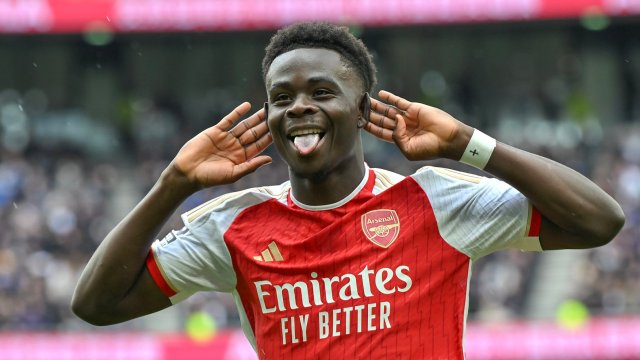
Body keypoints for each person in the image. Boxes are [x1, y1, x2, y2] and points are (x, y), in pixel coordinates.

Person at [72, 22, 625, 359]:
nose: (299, 108)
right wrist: (174, 184)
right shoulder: (233, 227)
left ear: (361, 111)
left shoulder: (433, 201)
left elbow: (598, 221)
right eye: (281, 98)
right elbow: (95, 304)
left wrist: (466, 144)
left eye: (321, 91)